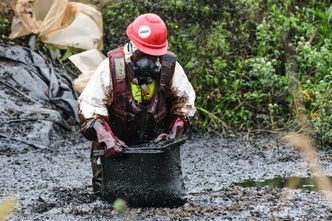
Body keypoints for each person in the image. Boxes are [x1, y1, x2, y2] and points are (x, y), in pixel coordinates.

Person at [78, 13, 196, 194]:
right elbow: (89, 110)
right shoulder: (111, 68)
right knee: (107, 197)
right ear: (132, 46)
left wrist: (172, 134)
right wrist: (108, 139)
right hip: (116, 140)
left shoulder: (170, 68)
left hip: (155, 141)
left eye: (153, 55)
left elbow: (185, 108)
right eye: (143, 54)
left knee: (159, 194)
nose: (148, 61)